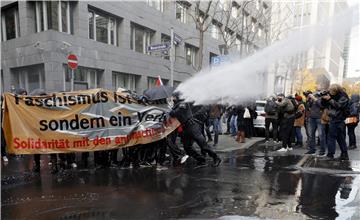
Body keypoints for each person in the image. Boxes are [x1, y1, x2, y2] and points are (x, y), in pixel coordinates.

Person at [170, 93, 221, 167]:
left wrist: (172, 107)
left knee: (203, 146)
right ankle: (201, 159)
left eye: (174, 97)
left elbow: (173, 113)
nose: (173, 98)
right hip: (186, 127)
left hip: (192, 126)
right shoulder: (179, 104)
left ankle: (216, 158)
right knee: (187, 148)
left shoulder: (182, 104)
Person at [321, 84, 350, 160]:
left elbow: (339, 106)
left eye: (332, 91)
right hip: (334, 118)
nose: (331, 92)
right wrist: (324, 98)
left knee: (331, 137)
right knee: (340, 138)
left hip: (338, 119)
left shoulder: (343, 96)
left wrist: (329, 99)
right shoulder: (333, 95)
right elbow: (323, 105)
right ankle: (344, 155)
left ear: (336, 90)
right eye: (330, 90)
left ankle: (330, 155)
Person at [304, 91, 327, 156]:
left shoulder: (322, 99)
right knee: (311, 135)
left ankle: (322, 151)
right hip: (311, 118)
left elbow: (322, 106)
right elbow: (308, 107)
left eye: (314, 95)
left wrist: (314, 99)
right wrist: (308, 100)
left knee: (321, 135)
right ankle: (312, 150)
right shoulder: (312, 100)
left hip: (320, 118)